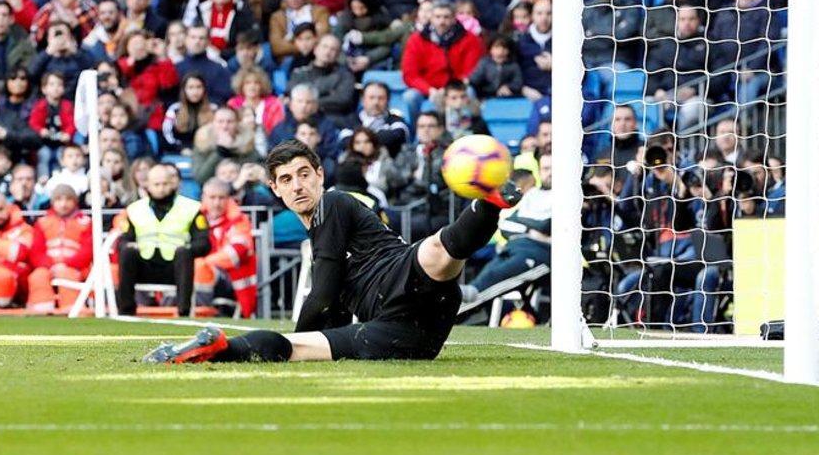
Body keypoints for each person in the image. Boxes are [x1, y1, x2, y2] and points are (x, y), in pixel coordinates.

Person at [143, 138, 520, 363]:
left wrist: (299, 334)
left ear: (320, 175)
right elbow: (333, 304)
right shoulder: (319, 228)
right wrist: (301, 342)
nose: (298, 186)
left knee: (438, 250)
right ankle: (216, 350)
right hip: (405, 335)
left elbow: (322, 292)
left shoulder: (334, 203)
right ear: (275, 189)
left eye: (304, 174)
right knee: (299, 349)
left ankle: (490, 202)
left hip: (398, 276)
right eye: (286, 180)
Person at [113, 164, 209, 317]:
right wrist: (129, 245)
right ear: (147, 186)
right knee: (126, 252)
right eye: (156, 184)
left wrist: (188, 249)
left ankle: (183, 312)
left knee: (184, 253)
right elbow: (123, 240)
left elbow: (204, 243)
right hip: (144, 266)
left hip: (175, 267)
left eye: (165, 184)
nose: (161, 188)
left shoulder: (191, 208)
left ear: (172, 183)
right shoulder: (134, 209)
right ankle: (126, 311)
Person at [460, 153, 552, 305]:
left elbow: (548, 225)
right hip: (514, 245)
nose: (550, 173)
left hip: (539, 251)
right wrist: (531, 229)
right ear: (540, 171)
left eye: (554, 168)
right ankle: (462, 305)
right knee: (489, 273)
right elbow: (506, 224)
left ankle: (463, 308)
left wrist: (525, 225)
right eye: (546, 168)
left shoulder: (568, 196)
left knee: (496, 279)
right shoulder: (532, 194)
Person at [192, 178, 257, 317]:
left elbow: (237, 251)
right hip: (202, 272)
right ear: (203, 198)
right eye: (212, 197)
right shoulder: (194, 216)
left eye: (221, 198)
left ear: (228, 199)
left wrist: (205, 262)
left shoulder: (238, 219)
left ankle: (200, 313)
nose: (216, 203)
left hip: (231, 278)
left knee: (199, 267)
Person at [28, 183, 94, 312]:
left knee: (67, 275)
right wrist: (51, 265)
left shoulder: (86, 222)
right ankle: (41, 313)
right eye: (59, 199)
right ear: (53, 202)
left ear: (75, 201)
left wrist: (66, 264)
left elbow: (88, 251)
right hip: (48, 267)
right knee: (37, 276)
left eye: (68, 199)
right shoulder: (42, 222)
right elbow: (36, 252)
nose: (63, 204)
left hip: (76, 268)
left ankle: (72, 312)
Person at [0, 190, 44, 308]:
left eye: (1, 209)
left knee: (1, 276)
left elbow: (20, 253)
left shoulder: (24, 228)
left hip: (19, 287)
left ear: (8, 207)